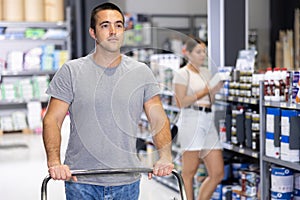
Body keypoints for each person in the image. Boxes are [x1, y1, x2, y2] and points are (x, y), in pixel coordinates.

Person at [42, 2, 174, 200]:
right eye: (105, 25)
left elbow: (158, 118)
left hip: (126, 182)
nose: (113, 31)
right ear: (93, 32)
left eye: (118, 25)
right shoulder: (71, 71)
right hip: (82, 182)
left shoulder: (141, 72)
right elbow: (52, 120)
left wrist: (165, 156)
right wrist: (54, 162)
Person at [173, 37, 224, 200]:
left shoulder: (206, 72)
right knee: (189, 172)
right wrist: (205, 90)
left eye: (204, 51)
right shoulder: (182, 74)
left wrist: (214, 91)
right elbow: (181, 102)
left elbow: (209, 99)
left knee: (217, 173)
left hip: (208, 119)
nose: (203, 55)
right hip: (191, 119)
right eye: (199, 51)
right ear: (187, 53)